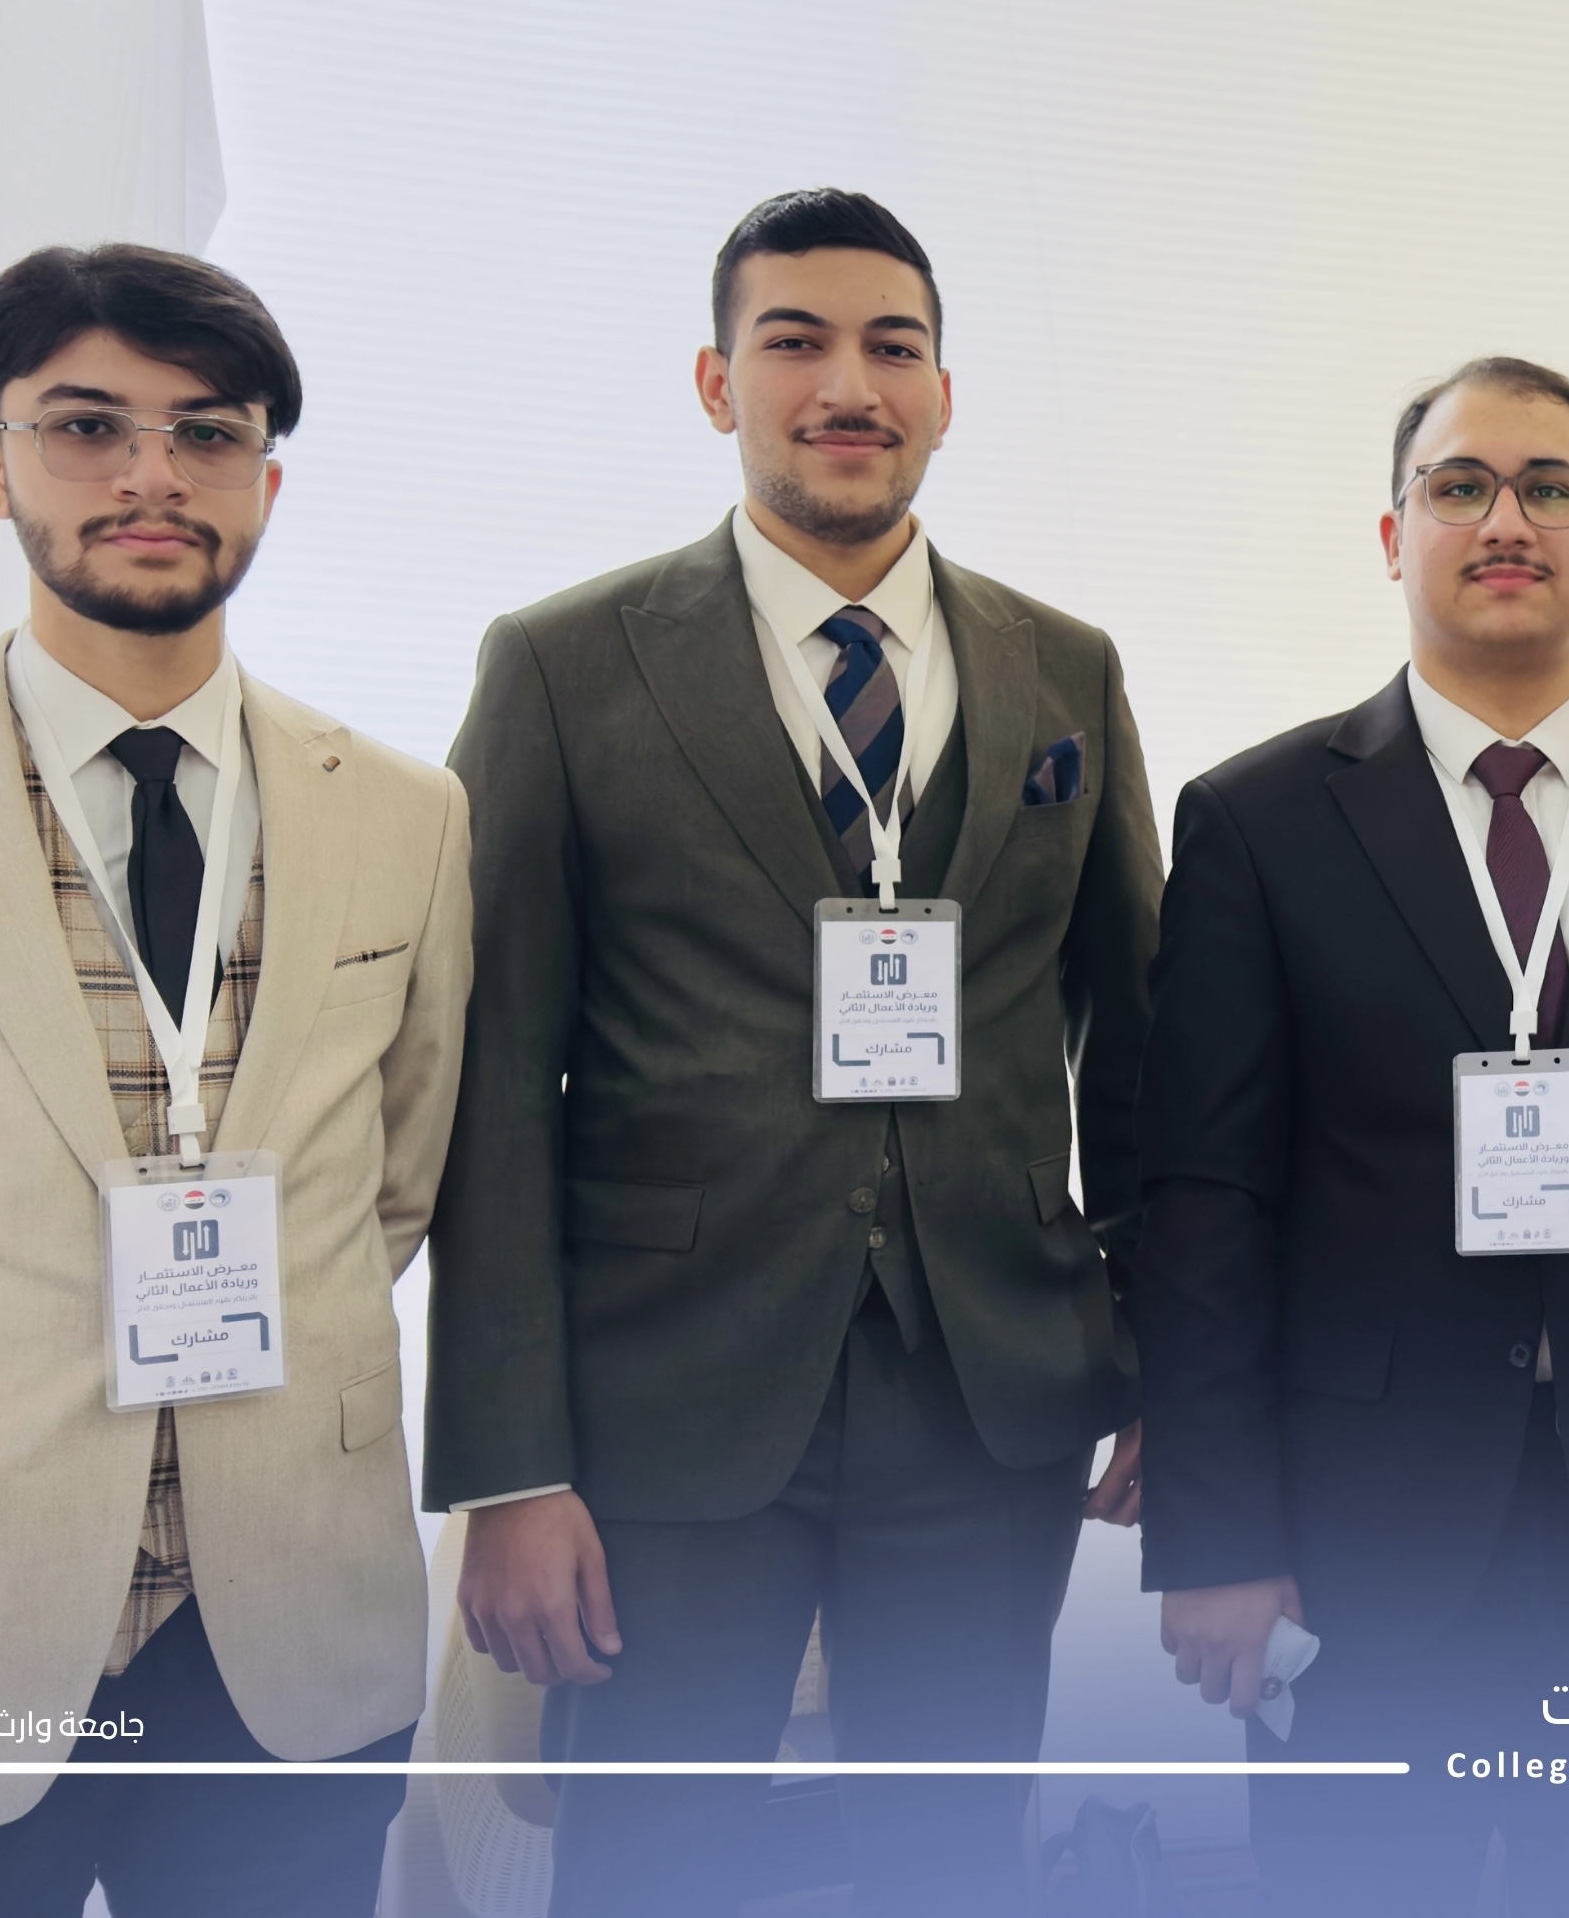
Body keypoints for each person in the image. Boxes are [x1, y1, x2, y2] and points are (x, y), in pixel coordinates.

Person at [425, 189, 1157, 1916]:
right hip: (667, 1403)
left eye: (893, 347)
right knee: (648, 1873)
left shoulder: (1065, 669)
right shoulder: (563, 666)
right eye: (794, 343)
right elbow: (490, 1082)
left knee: (951, 1869)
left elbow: (1139, 1047)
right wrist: (508, 1467)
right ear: (716, 383)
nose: (848, 385)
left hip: (988, 1397)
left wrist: (1168, 1360)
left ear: (943, 393)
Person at [0, 245, 469, 1914]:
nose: (153, 475)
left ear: (265, 482)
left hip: (288, 1622)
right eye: (87, 426)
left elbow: (401, 1174)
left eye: (206, 433)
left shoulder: (406, 813)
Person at [1134, 357, 1569, 1916]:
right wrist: (1216, 1532)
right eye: (1458, 486)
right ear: (1393, 537)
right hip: (1356, 1529)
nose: (1505, 520)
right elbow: (1204, 1205)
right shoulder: (1257, 819)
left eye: (1548, 487)